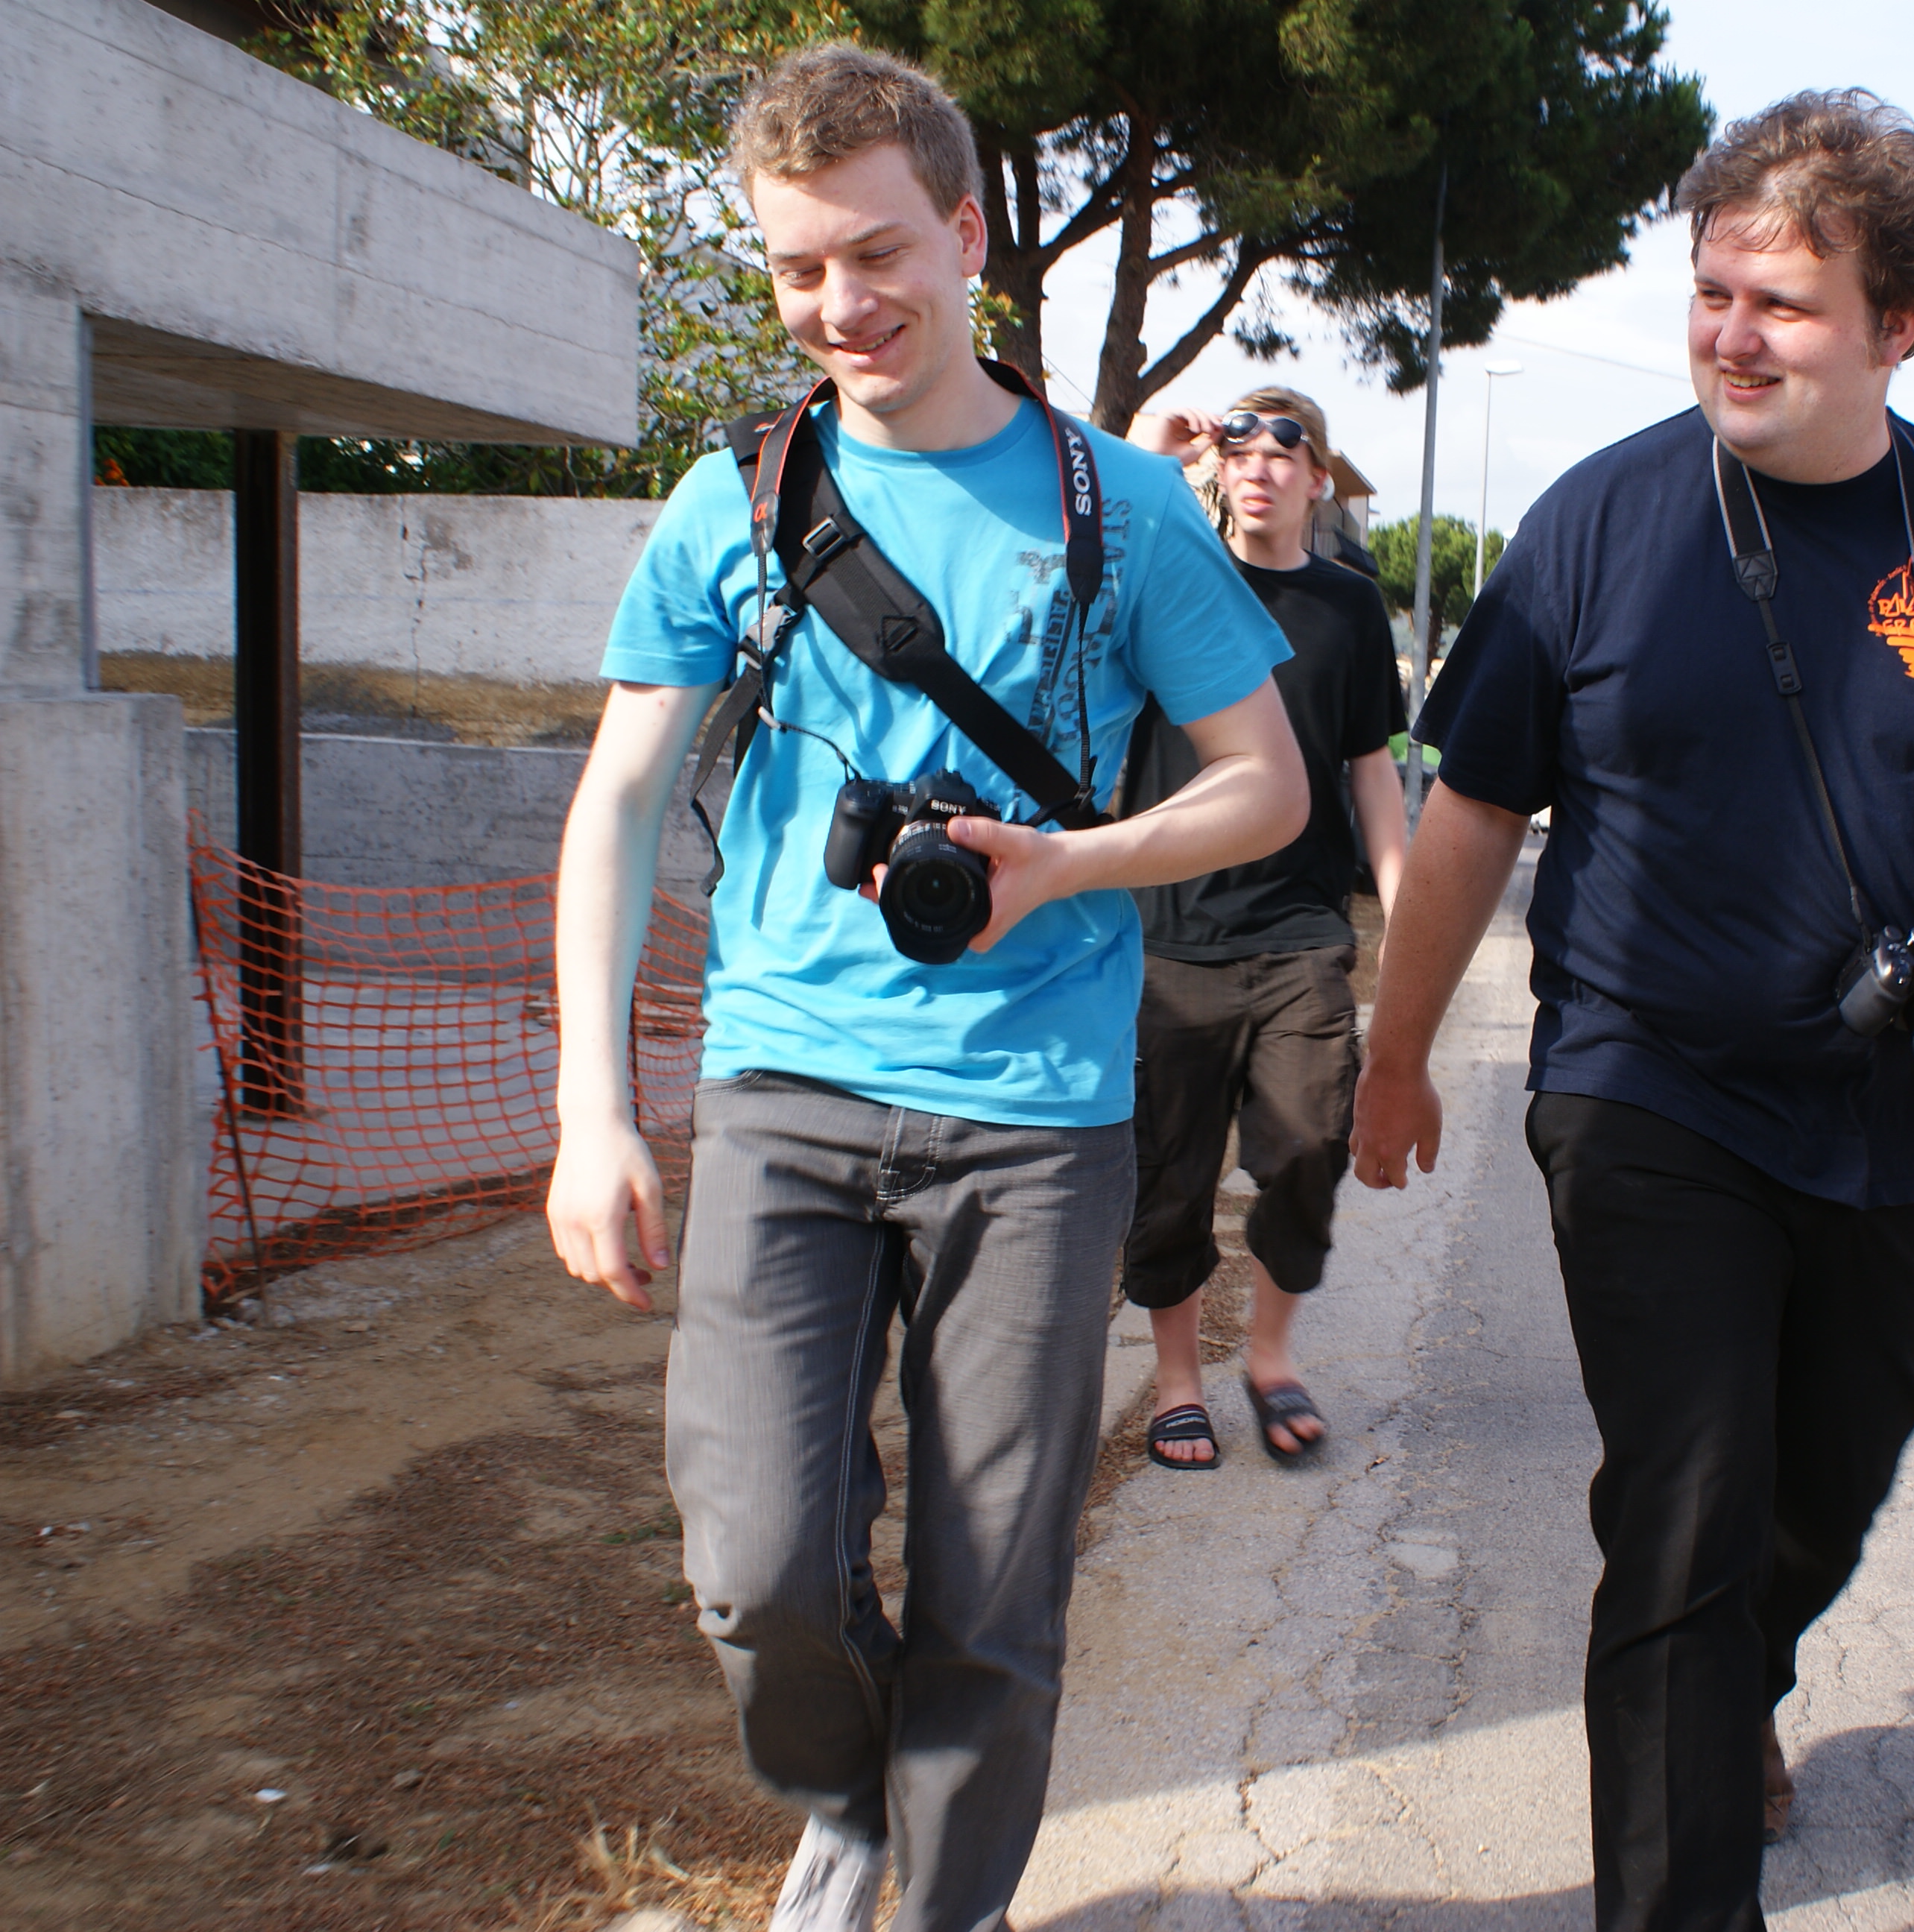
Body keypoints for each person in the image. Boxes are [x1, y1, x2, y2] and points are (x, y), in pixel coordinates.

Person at [1350, 89, 1914, 1932]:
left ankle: (1739, 1678)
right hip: (1644, 1086)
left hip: (1892, 1116)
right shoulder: (1597, 525)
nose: (1731, 336)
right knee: (1681, 1514)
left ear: (1897, 326)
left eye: (1782, 305)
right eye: (1710, 294)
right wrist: (1395, 1054)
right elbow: (1469, 817)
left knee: (1822, 1488)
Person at [543, 44, 1306, 1932]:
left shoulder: (1123, 506)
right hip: (784, 1088)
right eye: (798, 269)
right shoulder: (733, 502)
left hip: (1037, 1119)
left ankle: (948, 1900)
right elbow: (617, 801)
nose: (841, 305)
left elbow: (1267, 784)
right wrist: (590, 1113)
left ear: (966, 237)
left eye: (878, 254)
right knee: (756, 1564)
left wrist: (1072, 864)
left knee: (996, 1585)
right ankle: (845, 1795)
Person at [1114, 389, 1410, 1468]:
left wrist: (1405, 906)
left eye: (1288, 449)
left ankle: (1271, 1358)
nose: (1260, 465)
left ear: (1318, 480)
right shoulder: (1166, 572)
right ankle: (1178, 1381)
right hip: (1167, 933)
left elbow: (1371, 769)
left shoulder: (1350, 605)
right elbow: (1086, 540)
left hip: (1300, 931)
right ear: (1217, 472)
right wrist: (1151, 453)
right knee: (1170, 1177)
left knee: (1309, 1152)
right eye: (1239, 447)